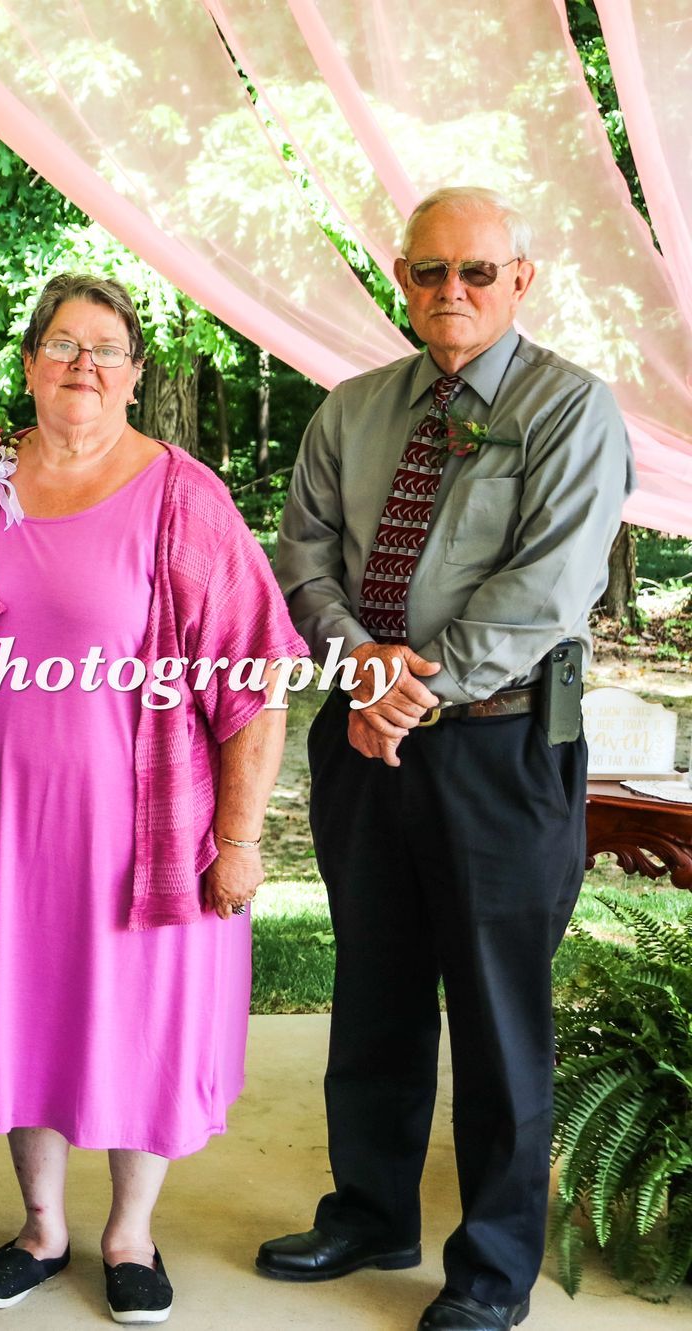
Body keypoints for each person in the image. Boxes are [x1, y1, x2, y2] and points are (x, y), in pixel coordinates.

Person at [264, 186, 633, 1331]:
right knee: (372, 986)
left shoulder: (572, 409)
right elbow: (304, 558)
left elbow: (546, 587)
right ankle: (370, 1211)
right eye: (430, 271)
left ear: (521, 279)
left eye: (477, 271)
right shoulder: (353, 409)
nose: (452, 291)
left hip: (501, 746)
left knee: (497, 1015)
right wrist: (362, 671)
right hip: (364, 745)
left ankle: (491, 1271)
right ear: (403, 278)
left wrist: (406, 690)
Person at [0, 273, 305, 1325]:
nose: (83, 365)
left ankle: (131, 1233)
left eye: (106, 349)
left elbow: (257, 675)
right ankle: (41, 1226)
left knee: (138, 1024)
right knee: (24, 1016)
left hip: (143, 835)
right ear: (30, 362)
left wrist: (239, 837)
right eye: (63, 344)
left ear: (134, 375)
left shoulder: (183, 496)